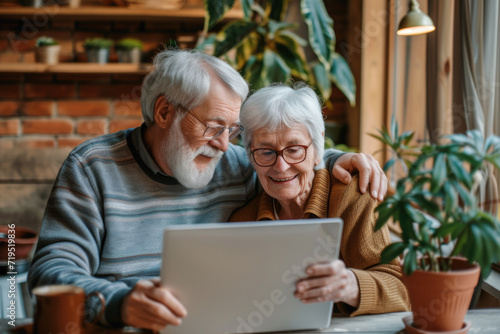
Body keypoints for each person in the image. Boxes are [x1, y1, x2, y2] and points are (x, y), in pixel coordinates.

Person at [28, 49, 388, 332]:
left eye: (232, 131)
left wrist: (338, 157)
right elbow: (49, 270)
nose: (222, 144)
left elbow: (283, 160)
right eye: (214, 126)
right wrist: (120, 303)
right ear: (165, 111)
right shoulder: (92, 168)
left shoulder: (234, 164)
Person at [229, 82, 410, 316]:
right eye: (266, 152)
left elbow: (402, 288)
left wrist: (351, 285)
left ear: (317, 148)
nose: (281, 166)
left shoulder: (352, 196)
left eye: (294, 149)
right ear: (250, 157)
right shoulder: (242, 223)